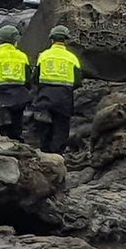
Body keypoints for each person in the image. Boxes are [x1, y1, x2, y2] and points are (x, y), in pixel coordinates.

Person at [30, 24, 82, 154]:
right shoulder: (72, 58)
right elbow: (77, 81)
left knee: (44, 125)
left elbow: (35, 77)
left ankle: (44, 153)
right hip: (64, 97)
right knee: (61, 127)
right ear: (66, 40)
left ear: (51, 39)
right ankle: (58, 155)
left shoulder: (44, 56)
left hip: (45, 95)